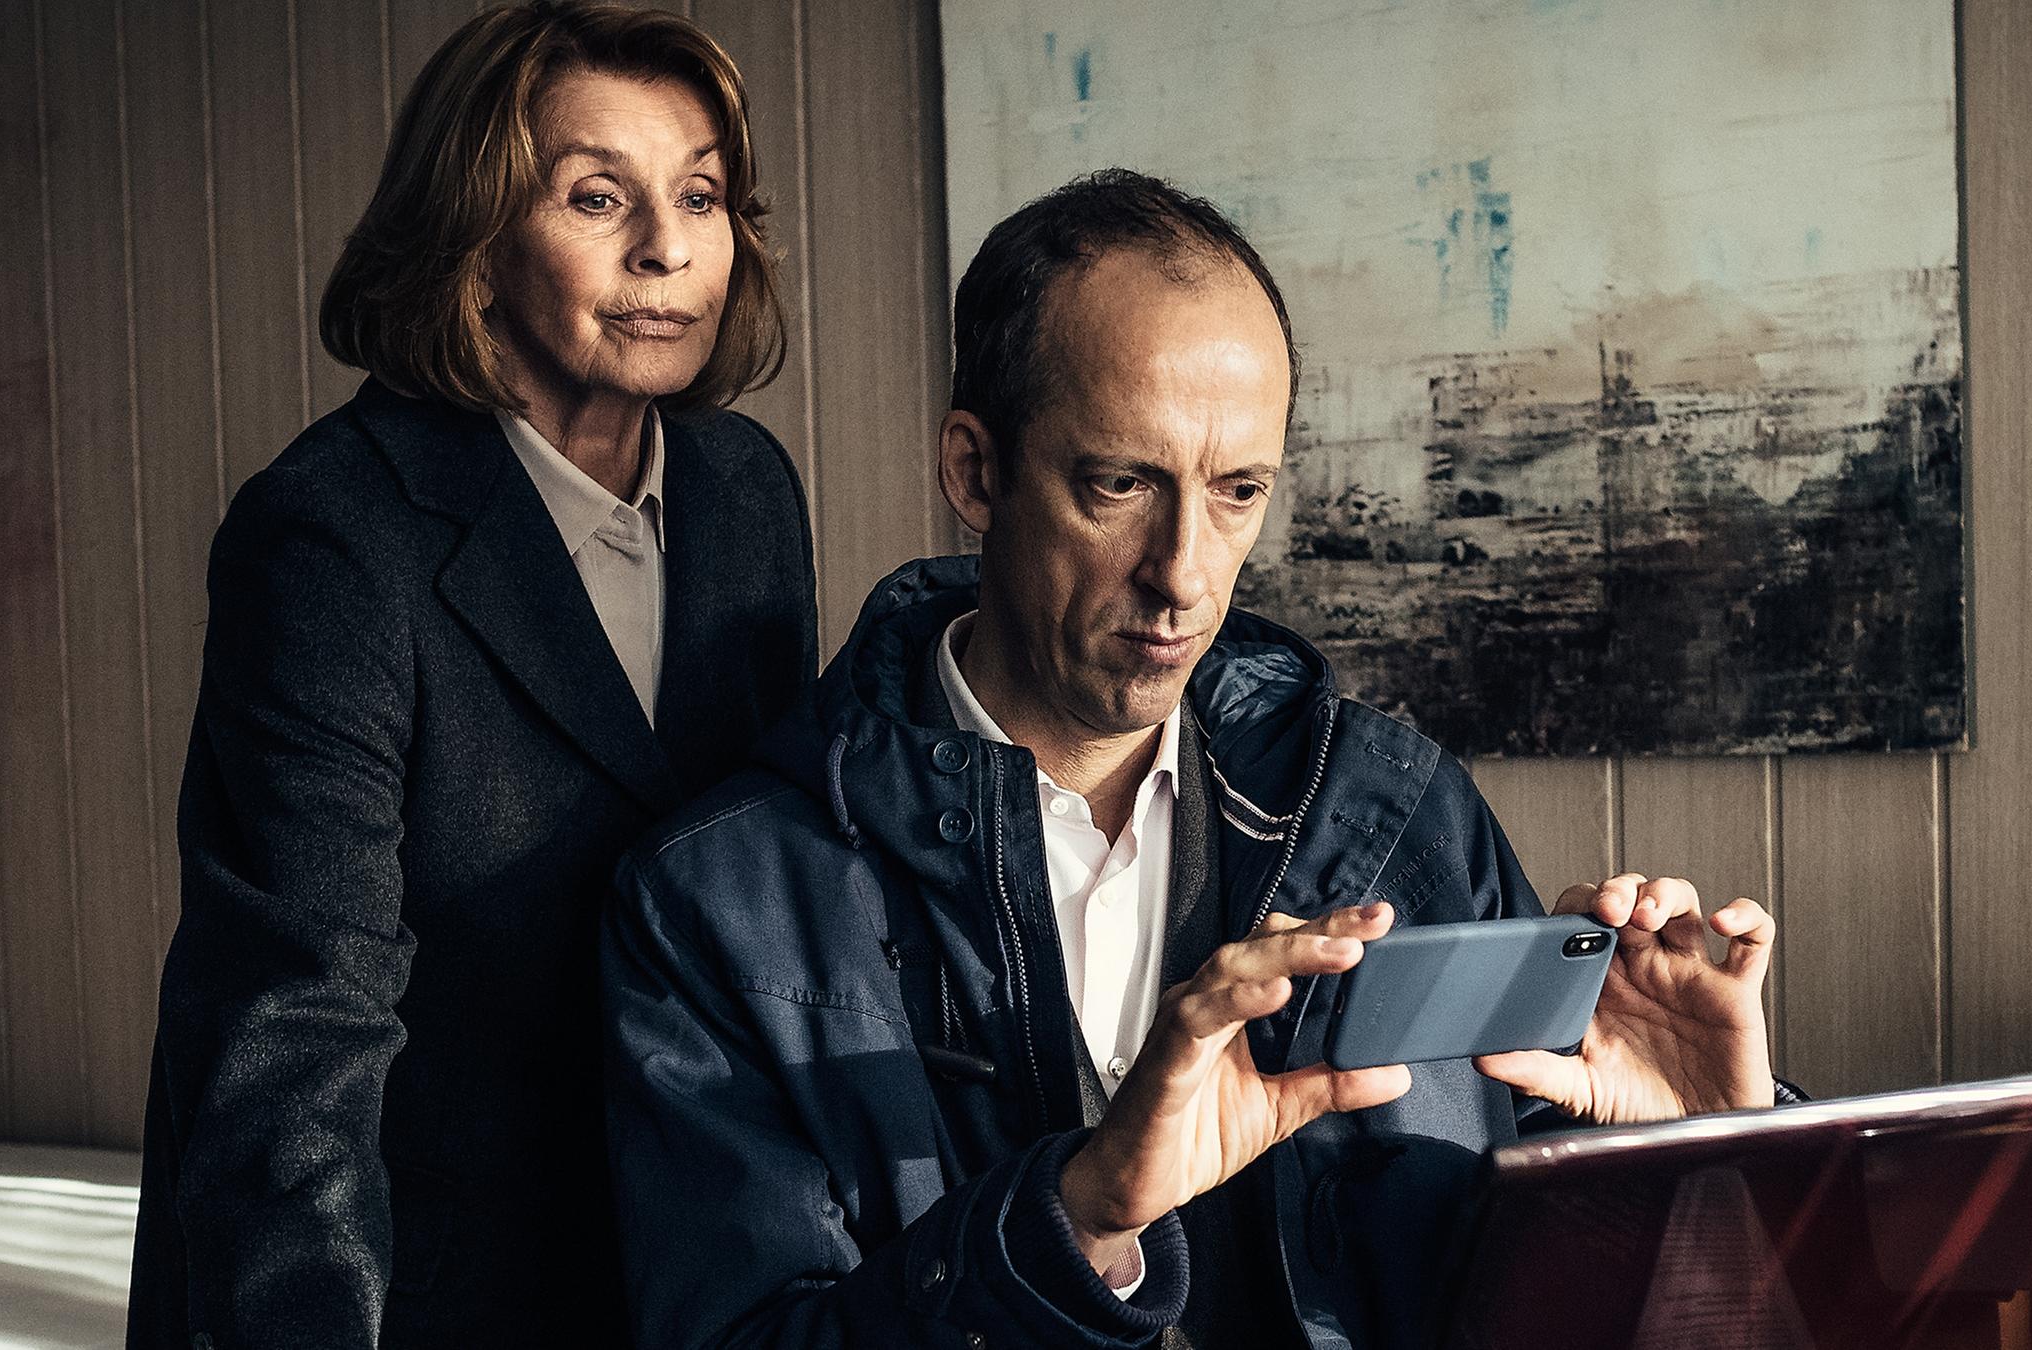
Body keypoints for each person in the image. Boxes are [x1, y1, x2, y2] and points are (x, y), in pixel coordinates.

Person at [601, 169, 1787, 1350]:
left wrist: (1706, 1159)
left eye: (1237, 492)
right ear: (975, 471)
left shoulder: (1399, 810)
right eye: (1121, 484)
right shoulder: (717, 903)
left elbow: (1555, 1294)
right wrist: (1079, 1221)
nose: (1184, 572)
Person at [126, 6, 816, 1346]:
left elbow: (768, 888)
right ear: (477, 239)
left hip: (697, 1252)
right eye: (597, 197)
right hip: (420, 1276)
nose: (667, 247)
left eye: (700, 196)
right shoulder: (332, 535)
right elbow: (294, 1018)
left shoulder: (746, 491)